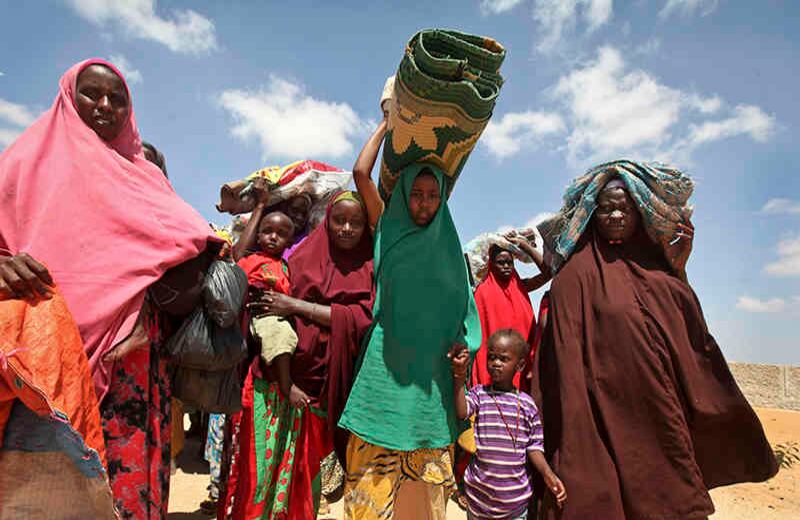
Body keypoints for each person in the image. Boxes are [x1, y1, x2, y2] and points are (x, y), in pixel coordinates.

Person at [0, 58, 217, 518]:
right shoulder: (22, 162)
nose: (104, 105)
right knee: (37, 493)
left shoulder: (144, 176)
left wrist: (145, 309)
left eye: (117, 99)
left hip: (127, 368)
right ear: (67, 97)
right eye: (91, 94)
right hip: (40, 365)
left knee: (122, 493)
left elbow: (200, 245)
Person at [533, 161, 778, 519]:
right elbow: (563, 363)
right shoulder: (574, 277)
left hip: (658, 418)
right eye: (606, 208)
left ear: (639, 213)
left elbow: (689, 332)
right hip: (598, 420)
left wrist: (680, 269)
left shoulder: (658, 269)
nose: (616, 214)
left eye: (625, 207)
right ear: (591, 215)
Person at [339, 115, 481, 520]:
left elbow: (463, 314)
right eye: (416, 193)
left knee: (423, 502)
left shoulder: (450, 250)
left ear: (443, 199)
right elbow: (360, 172)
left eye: (432, 195)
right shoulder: (386, 224)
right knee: (369, 493)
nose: (423, 203)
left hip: (431, 384)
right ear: (403, 194)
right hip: (385, 374)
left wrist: (461, 352)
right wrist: (391, 123)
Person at [221, 190, 374, 519]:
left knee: (304, 482)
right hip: (273, 382)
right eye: (339, 220)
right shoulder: (299, 258)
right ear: (326, 223)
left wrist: (296, 306)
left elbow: (361, 319)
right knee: (259, 475)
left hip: (322, 390)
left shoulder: (370, 269)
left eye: (355, 223)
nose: (346, 228)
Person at [450, 329, 566, 520]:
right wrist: (459, 379)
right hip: (479, 502)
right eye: (492, 357)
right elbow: (462, 412)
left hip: (514, 506)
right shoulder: (480, 395)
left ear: (519, 365)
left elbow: (534, 447)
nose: (495, 363)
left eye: (503, 359)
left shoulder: (527, 405)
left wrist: (548, 474)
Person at [233, 182, 300, 400]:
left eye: (281, 234)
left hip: (278, 315)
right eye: (267, 231)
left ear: (290, 241)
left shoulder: (287, 266)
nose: (273, 237)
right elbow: (238, 255)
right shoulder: (253, 259)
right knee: (280, 334)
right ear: (258, 235)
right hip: (258, 315)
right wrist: (260, 204)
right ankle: (286, 384)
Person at [471, 232, 549, 390]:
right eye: (500, 262)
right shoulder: (480, 289)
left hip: (520, 366)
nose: (506, 266)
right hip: (491, 370)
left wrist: (525, 246)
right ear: (491, 264)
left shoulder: (520, 286)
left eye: (509, 262)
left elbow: (548, 272)